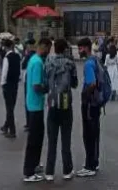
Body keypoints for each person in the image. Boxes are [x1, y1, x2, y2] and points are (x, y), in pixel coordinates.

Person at [44, 39, 78, 182]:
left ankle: (49, 171)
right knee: (66, 139)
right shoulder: (70, 63)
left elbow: (45, 82)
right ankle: (67, 170)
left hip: (52, 102)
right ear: (65, 49)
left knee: (52, 141)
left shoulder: (48, 62)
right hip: (65, 103)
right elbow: (75, 84)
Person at [22, 38, 51, 182]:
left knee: (38, 136)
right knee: (34, 139)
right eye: (48, 48)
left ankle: (34, 164)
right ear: (44, 47)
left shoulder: (33, 59)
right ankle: (28, 171)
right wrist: (48, 87)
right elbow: (36, 86)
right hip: (35, 105)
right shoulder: (38, 63)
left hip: (33, 104)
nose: (48, 52)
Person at [77, 38, 101, 177]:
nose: (79, 51)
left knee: (89, 134)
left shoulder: (88, 64)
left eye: (80, 49)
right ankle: (95, 162)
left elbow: (91, 83)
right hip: (96, 103)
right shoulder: (95, 60)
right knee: (95, 133)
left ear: (86, 48)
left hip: (90, 103)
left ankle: (89, 165)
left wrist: (84, 95)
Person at [0, 39, 22, 138]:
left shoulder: (6, 58)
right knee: (11, 106)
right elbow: (19, 69)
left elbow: (4, 72)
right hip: (15, 84)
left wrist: (2, 83)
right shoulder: (17, 56)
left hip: (8, 84)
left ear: (5, 47)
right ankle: (6, 125)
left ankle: (12, 130)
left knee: (9, 108)